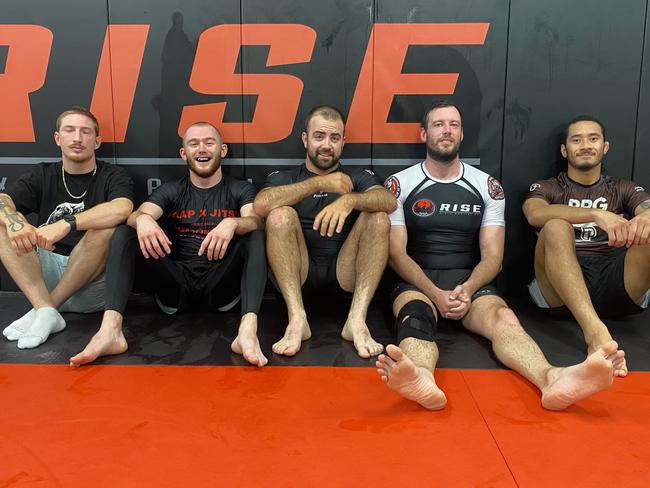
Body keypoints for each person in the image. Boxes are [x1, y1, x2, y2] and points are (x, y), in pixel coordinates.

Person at [376, 102, 622, 411]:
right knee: (415, 318)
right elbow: (396, 255)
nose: (447, 130)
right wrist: (435, 294)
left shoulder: (486, 186)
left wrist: (467, 288)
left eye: (454, 124)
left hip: (471, 283)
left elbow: (493, 257)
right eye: (439, 124)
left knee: (505, 318)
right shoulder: (399, 184)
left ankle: (551, 378)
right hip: (419, 283)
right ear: (425, 134)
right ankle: (421, 376)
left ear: (462, 133)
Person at [76, 121, 268, 367]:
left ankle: (247, 333)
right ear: (183, 153)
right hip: (175, 285)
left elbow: (256, 221)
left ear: (223, 150)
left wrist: (233, 223)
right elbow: (136, 214)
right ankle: (110, 331)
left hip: (222, 285)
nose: (202, 149)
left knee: (255, 236)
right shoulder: (170, 190)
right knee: (125, 233)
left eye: (209, 143)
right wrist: (143, 220)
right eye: (194, 144)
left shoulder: (240, 188)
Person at [254, 106, 396, 358]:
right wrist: (318, 183)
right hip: (299, 276)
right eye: (319, 136)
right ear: (305, 139)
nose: (327, 145)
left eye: (334, 137)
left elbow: (388, 201)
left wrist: (350, 200)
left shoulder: (356, 177)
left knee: (379, 218)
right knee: (279, 214)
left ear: (343, 141)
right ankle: (297, 319)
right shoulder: (285, 177)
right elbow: (262, 205)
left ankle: (357, 321)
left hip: (345, 276)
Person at [0, 106, 134, 362]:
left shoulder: (112, 175)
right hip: (43, 279)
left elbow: (123, 208)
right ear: (57, 138)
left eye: (85, 132)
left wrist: (66, 224)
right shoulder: (42, 173)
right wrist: (15, 222)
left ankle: (46, 309)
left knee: (108, 227)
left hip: (93, 285)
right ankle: (45, 309)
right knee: (5, 223)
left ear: (97, 141)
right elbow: (3, 199)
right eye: (69, 130)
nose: (77, 138)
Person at [523, 115, 650, 377]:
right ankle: (596, 333)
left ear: (605, 147)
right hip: (560, 288)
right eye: (576, 139)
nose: (585, 145)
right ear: (564, 149)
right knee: (556, 226)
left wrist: (646, 217)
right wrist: (595, 214)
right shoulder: (547, 187)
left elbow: (646, 208)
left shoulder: (624, 188)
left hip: (617, 282)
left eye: (593, 138)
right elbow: (535, 214)